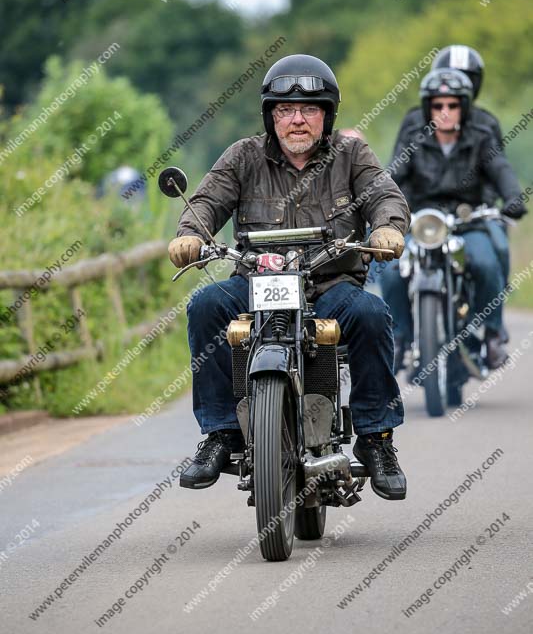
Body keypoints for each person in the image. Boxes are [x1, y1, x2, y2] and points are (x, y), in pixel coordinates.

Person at [167, 54, 411, 501]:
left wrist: (388, 228)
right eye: (284, 111)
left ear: (327, 115)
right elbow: (205, 202)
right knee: (205, 305)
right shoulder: (243, 156)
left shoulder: (352, 154)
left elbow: (385, 195)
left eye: (309, 109)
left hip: (329, 285)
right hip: (255, 285)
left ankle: (376, 439)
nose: (297, 119)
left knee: (373, 314)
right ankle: (221, 433)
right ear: (270, 116)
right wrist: (188, 236)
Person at [381, 67, 526, 373]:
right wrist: (381, 203)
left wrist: (513, 197)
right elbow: (393, 176)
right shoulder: (412, 135)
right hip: (422, 220)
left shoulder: (481, 136)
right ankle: (400, 337)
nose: (445, 111)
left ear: (464, 106)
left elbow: (501, 170)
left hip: (468, 218)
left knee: (486, 263)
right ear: (427, 108)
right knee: (392, 269)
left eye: (452, 105)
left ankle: (492, 335)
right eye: (437, 105)